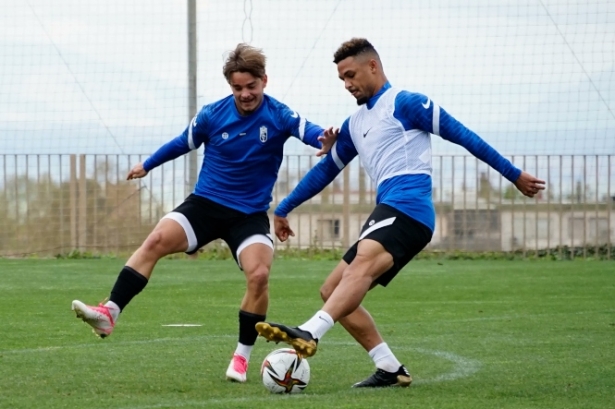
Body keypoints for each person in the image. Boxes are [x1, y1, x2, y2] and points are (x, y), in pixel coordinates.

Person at [255, 38, 546, 388]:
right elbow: (326, 170)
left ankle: (310, 332)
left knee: (361, 264)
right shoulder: (353, 124)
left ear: (373, 66)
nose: (347, 84)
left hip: (408, 208)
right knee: (332, 289)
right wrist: (284, 207)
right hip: (389, 209)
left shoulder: (405, 104)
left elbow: (464, 135)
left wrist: (513, 174)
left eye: (351, 75)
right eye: (342, 79)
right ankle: (389, 367)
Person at [71, 43, 337, 384]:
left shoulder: (280, 115)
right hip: (206, 205)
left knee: (258, 276)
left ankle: (241, 357)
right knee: (155, 240)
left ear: (264, 81)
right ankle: (110, 312)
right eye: (237, 88)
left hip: (249, 215)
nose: (244, 94)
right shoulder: (213, 114)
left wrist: (324, 140)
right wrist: (147, 165)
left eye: (251, 87)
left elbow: (312, 132)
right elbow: (183, 141)